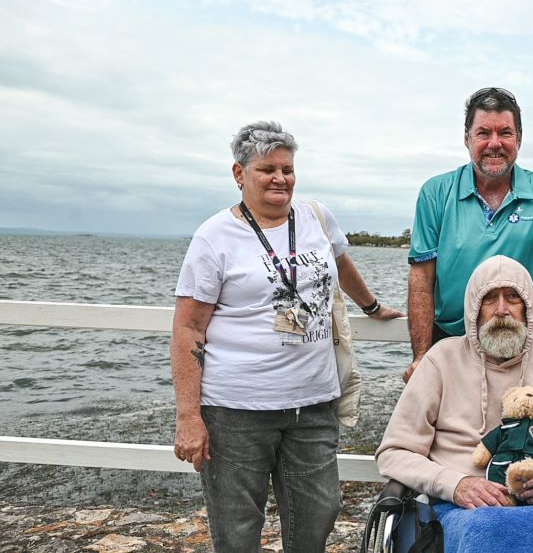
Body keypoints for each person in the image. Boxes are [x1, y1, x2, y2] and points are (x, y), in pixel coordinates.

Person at [171, 121, 403, 552]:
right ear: (239, 174)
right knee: (237, 529)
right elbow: (188, 327)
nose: (280, 178)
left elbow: (340, 262)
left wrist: (372, 307)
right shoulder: (213, 237)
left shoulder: (317, 218)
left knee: (320, 511)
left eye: (287, 169)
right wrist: (189, 416)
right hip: (236, 410)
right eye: (267, 170)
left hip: (312, 404)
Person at [376, 255, 533, 549]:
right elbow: (394, 453)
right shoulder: (441, 359)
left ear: (529, 308)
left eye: (513, 297)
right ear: (473, 308)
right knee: (492, 527)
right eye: (489, 299)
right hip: (459, 509)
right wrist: (455, 485)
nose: (501, 310)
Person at [405, 87, 533, 381]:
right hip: (451, 342)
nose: (495, 143)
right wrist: (421, 356)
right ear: (467, 138)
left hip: (521, 343)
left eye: (505, 133)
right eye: (483, 133)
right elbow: (422, 278)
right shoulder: (436, 192)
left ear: (519, 139)